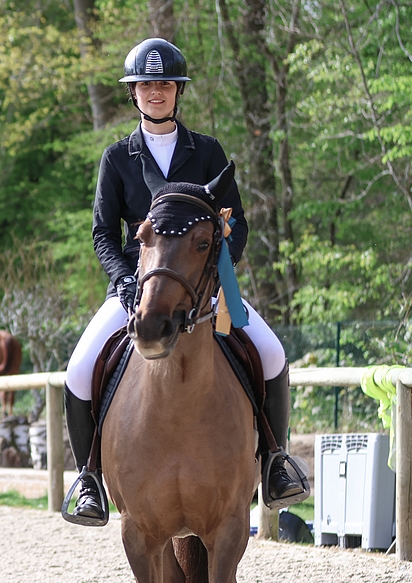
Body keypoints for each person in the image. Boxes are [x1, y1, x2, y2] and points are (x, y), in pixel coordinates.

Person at [63, 38, 306, 525]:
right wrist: (123, 280)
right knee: (79, 368)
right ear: (133, 93)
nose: (155, 92)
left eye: (165, 84)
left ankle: (275, 461)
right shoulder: (118, 157)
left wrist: (216, 277)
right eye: (145, 85)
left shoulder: (208, 151)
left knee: (272, 352)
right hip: (137, 287)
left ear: (178, 91)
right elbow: (103, 233)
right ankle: (89, 476)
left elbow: (236, 223)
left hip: (203, 285)